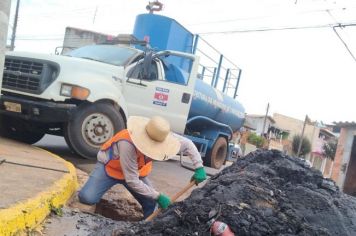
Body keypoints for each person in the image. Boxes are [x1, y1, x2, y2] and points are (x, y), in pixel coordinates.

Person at [78, 115, 207, 219]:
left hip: (136, 172)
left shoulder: (161, 135)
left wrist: (199, 167)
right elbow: (132, 180)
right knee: (87, 197)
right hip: (110, 169)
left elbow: (188, 144)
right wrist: (158, 195)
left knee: (151, 204)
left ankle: (147, 226)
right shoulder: (127, 143)